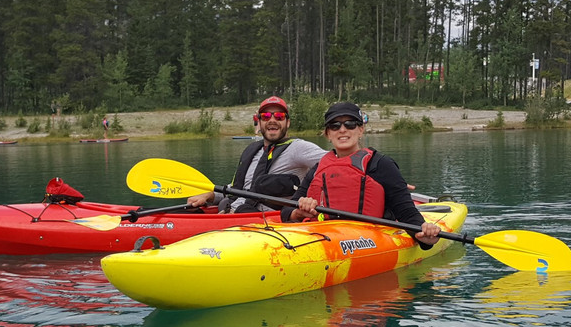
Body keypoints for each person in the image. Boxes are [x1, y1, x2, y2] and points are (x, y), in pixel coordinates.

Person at [282, 101, 441, 247]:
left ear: (361, 130)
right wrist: (299, 211)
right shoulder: (318, 169)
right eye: (335, 126)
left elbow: (407, 213)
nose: (342, 129)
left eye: (350, 124)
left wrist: (425, 237)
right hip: (325, 238)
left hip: (370, 242)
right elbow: (286, 212)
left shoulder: (381, 165)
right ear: (328, 134)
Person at [187, 96, 327, 213]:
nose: (272, 120)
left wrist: (310, 194)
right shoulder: (253, 150)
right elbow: (239, 188)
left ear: (288, 122)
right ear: (259, 123)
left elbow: (334, 162)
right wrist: (210, 195)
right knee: (184, 212)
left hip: (262, 224)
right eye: (266, 116)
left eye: (279, 116)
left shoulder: (298, 148)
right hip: (230, 212)